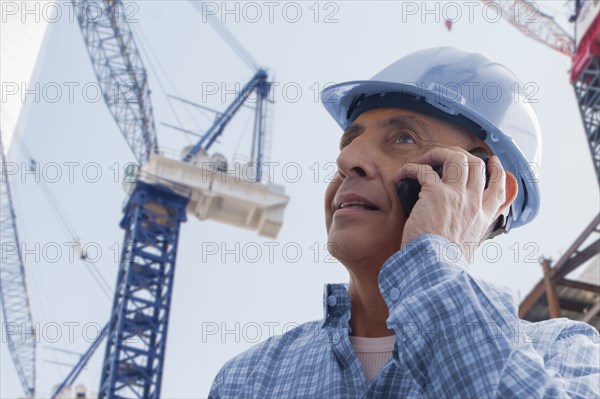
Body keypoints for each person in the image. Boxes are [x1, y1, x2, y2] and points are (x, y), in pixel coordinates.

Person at [209, 47, 600, 398]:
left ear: (490, 190)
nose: (346, 162)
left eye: (403, 139)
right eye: (349, 142)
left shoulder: (564, 353)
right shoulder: (251, 378)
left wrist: (433, 262)